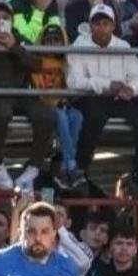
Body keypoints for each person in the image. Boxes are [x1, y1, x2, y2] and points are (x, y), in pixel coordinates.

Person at [66, 4, 138, 196]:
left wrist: (130, 89)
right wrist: (108, 85)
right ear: (90, 26)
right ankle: (81, 168)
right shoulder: (78, 46)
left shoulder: (123, 46)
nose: (101, 28)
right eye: (97, 23)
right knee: (93, 117)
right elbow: (74, 82)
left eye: (105, 23)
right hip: (90, 98)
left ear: (113, 25)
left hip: (118, 98)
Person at [0, 0, 55, 193]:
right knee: (1, 114)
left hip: (21, 92)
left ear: (12, 21)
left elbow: (37, 64)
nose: (0, 21)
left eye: (5, 17)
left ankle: (33, 167)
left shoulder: (20, 39)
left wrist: (15, 47)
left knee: (46, 115)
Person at [31, 22, 83, 188]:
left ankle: (64, 164)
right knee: (60, 115)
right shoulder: (36, 62)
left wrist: (63, 101)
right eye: (48, 40)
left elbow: (71, 86)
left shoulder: (67, 62)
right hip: (43, 104)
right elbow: (37, 88)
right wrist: (55, 101)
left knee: (77, 116)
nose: (53, 44)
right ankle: (70, 165)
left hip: (62, 103)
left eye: (57, 40)